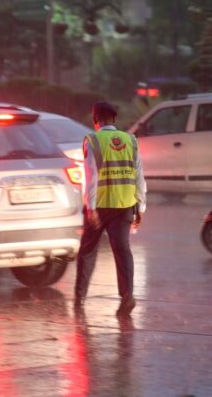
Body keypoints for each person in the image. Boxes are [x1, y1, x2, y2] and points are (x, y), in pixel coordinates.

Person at [74, 101, 146, 316]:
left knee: (87, 252)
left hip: (101, 206)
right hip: (124, 205)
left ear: (95, 120)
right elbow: (139, 175)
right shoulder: (130, 140)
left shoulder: (92, 141)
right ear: (114, 119)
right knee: (122, 251)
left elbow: (91, 177)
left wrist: (91, 207)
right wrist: (140, 207)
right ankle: (127, 296)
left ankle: (80, 298)